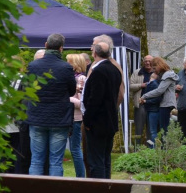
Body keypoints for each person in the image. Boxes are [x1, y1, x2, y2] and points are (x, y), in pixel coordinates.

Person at [25, 33, 76, 176]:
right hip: (59, 118)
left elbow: (27, 89)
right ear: (61, 48)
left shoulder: (33, 66)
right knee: (55, 161)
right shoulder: (66, 68)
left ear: (46, 45)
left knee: (36, 160)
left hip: (36, 116)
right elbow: (71, 91)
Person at [82, 41, 122, 179]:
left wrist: (87, 120)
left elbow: (95, 99)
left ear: (94, 53)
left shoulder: (99, 71)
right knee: (105, 158)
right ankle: (107, 187)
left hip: (97, 122)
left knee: (96, 160)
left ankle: (99, 190)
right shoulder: (115, 69)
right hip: (109, 120)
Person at [140, 57, 178, 139]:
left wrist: (144, 96)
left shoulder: (167, 75)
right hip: (165, 104)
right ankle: (164, 148)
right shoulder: (166, 75)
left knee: (164, 129)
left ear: (159, 65)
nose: (153, 70)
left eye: (154, 68)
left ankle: (165, 149)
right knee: (163, 129)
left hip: (166, 104)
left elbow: (159, 91)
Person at [66, 53, 87, 178]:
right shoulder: (71, 78)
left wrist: (66, 98)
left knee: (75, 149)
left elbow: (81, 103)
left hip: (76, 118)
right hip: (68, 117)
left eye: (69, 62)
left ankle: (80, 177)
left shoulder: (81, 79)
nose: (66, 64)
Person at [91, 34, 125, 105]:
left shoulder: (113, 66)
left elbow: (120, 93)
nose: (91, 48)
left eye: (94, 46)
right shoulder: (95, 63)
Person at [129, 55, 154, 144]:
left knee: (151, 130)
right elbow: (130, 86)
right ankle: (137, 149)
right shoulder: (137, 72)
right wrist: (141, 85)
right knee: (138, 129)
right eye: (146, 61)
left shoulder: (157, 73)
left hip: (153, 105)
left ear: (153, 62)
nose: (147, 63)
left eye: (149, 61)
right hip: (140, 104)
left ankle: (150, 150)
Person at [144, 72, 161, 147]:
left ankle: (153, 148)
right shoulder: (151, 83)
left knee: (153, 130)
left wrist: (145, 101)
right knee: (152, 130)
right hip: (151, 109)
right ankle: (152, 147)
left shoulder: (154, 84)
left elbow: (157, 98)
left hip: (153, 109)